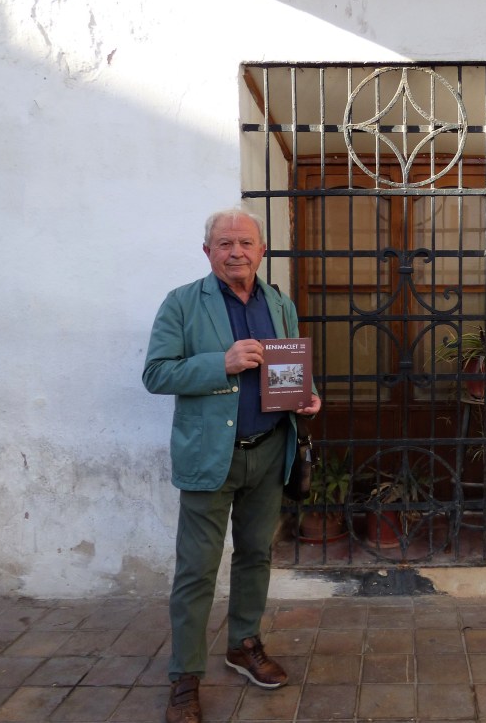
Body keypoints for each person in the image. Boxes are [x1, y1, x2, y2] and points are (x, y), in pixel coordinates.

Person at [143, 209, 321, 723]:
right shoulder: (181, 303)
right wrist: (219, 362)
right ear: (208, 252)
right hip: (210, 457)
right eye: (224, 243)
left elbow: (291, 373)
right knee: (196, 571)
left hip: (268, 451)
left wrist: (307, 396)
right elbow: (156, 373)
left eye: (245, 242)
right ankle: (185, 677)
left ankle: (244, 643)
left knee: (254, 557)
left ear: (262, 250)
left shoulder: (279, 304)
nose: (236, 251)